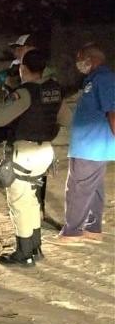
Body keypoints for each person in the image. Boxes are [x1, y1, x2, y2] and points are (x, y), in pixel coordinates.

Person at [0, 49, 64, 266]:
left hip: (24, 153)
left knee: (19, 203)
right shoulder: (53, 90)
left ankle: (23, 253)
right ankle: (35, 248)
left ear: (23, 69)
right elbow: (65, 118)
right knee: (31, 199)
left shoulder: (24, 93)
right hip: (45, 153)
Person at [51, 43, 115, 245]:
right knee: (93, 187)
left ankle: (72, 231)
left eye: (81, 58)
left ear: (92, 59)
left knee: (78, 187)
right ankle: (92, 228)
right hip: (90, 145)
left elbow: (112, 111)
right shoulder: (93, 79)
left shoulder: (104, 79)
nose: (79, 63)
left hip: (91, 144)